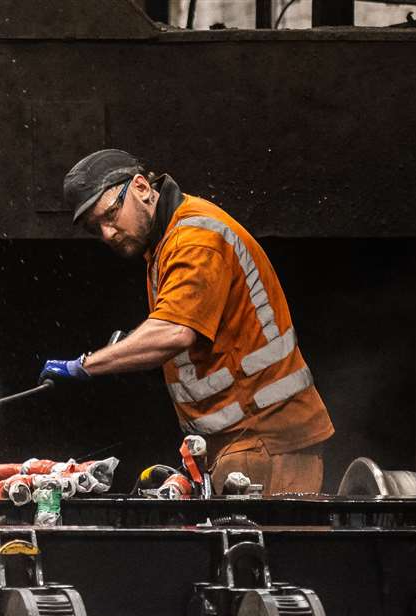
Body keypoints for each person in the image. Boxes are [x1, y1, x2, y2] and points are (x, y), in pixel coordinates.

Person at [40, 149, 333, 494]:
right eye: (95, 228)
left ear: (140, 187)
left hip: (266, 438)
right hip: (246, 440)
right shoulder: (165, 242)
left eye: (111, 214)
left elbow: (174, 331)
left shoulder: (194, 239)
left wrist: (86, 365)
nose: (108, 233)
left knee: (265, 547)